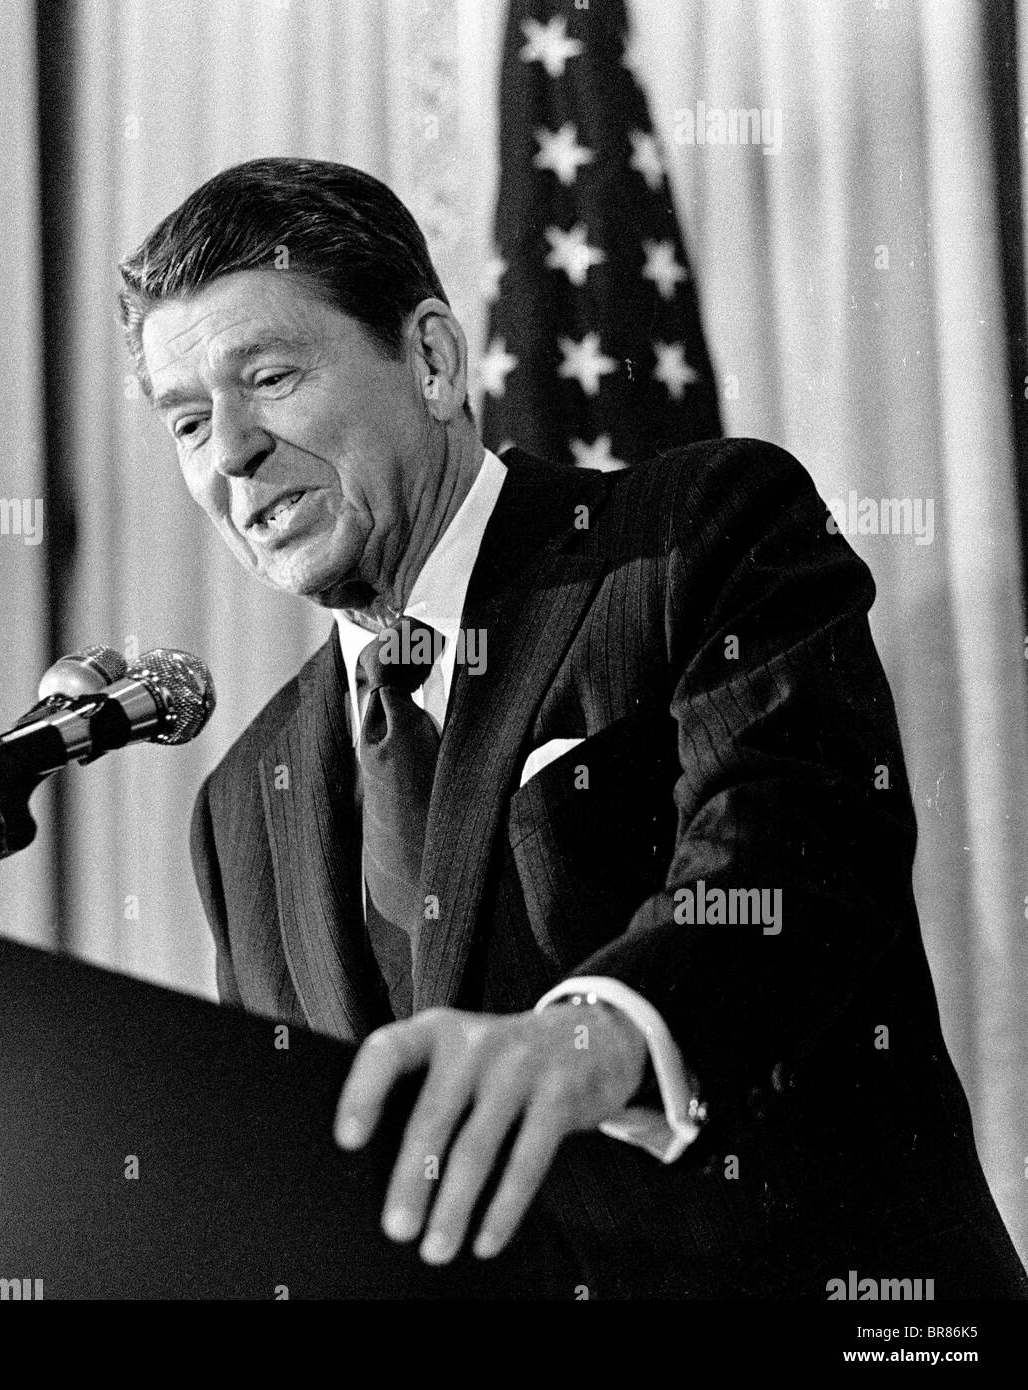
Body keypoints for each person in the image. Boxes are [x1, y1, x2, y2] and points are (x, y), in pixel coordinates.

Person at [118, 157, 1028, 1298]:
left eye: (270, 377)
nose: (231, 452)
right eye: (190, 420)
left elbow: (800, 842)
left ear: (434, 360)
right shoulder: (241, 804)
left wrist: (592, 1034)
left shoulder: (693, 536)